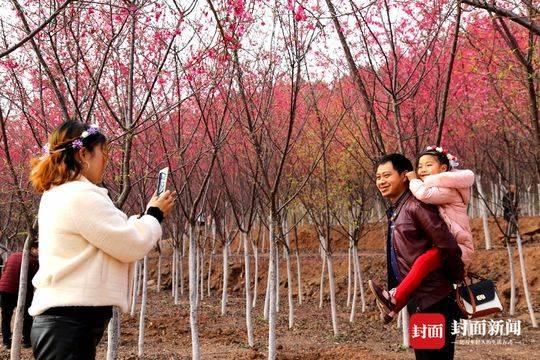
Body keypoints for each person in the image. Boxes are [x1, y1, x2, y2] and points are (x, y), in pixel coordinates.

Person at [28, 120, 175, 360]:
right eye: (102, 152)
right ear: (83, 154)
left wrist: (147, 215)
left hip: (65, 327)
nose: (105, 160)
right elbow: (129, 244)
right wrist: (154, 216)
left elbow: (114, 232)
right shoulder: (78, 195)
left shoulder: (64, 193)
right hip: (68, 328)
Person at [371, 153, 464, 359]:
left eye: (387, 175)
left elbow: (447, 245)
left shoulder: (416, 205)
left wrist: (452, 279)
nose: (381, 181)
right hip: (421, 301)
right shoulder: (398, 209)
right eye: (378, 177)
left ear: (405, 176)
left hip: (433, 300)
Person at [0, 245, 39, 349]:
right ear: (32, 249)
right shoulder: (32, 260)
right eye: (38, 249)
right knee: (27, 316)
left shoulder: (13, 255)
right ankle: (26, 340)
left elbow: (5, 270)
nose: (39, 252)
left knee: (6, 317)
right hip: (19, 291)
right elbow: (35, 279)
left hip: (4, 289)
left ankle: (6, 342)